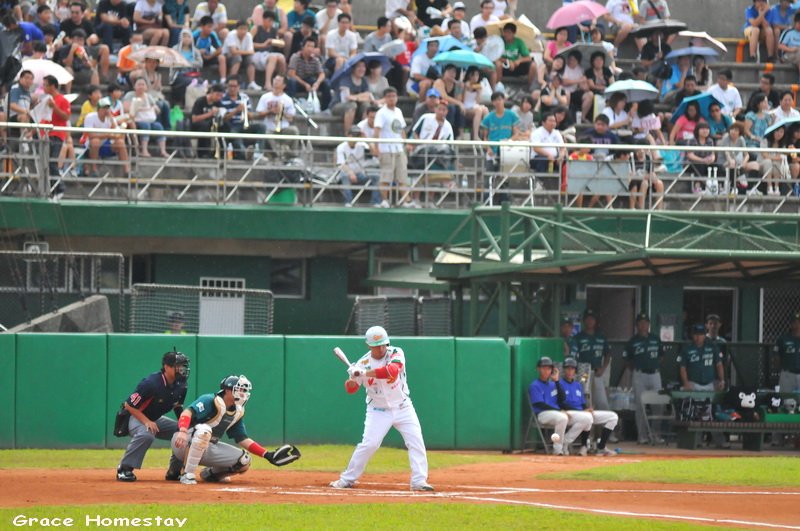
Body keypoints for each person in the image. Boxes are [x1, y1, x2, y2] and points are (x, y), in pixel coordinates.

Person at [330, 326, 434, 491]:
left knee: (416, 441)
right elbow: (351, 389)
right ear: (369, 346)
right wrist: (353, 377)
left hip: (403, 406)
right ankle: (347, 479)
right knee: (370, 444)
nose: (381, 348)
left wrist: (364, 372)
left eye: (383, 344)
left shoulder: (395, 353)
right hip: (378, 411)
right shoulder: (362, 363)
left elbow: (391, 371)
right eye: (377, 345)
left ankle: (419, 481)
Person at [172, 374, 301, 484]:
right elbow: (187, 413)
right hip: (184, 442)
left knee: (244, 460)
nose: (244, 394)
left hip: (208, 447)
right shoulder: (210, 400)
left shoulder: (237, 411)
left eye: (245, 391)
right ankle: (186, 474)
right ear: (228, 390)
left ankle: (210, 474)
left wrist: (267, 454)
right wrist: (183, 431)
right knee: (204, 430)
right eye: (240, 390)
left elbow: (242, 439)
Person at [116, 350, 190, 482]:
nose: (181, 369)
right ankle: (124, 468)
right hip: (135, 417)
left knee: (184, 433)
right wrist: (146, 422)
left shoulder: (181, 383)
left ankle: (174, 471)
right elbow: (129, 405)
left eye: (182, 366)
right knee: (147, 434)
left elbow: (177, 406)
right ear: (167, 367)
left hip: (154, 419)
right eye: (177, 366)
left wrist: (184, 426)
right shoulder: (151, 383)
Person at [528, 356, 591, 456]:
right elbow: (540, 404)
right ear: (538, 369)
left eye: (549, 368)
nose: (546, 371)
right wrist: (558, 410)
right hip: (542, 414)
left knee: (587, 418)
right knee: (562, 418)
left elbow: (562, 398)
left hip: (557, 413)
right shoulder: (535, 385)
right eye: (543, 368)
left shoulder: (553, 384)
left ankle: (566, 441)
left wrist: (556, 381)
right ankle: (557, 449)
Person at [556, 357, 619, 456]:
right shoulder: (559, 384)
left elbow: (582, 402)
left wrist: (587, 408)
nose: (569, 371)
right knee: (587, 417)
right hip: (569, 412)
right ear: (564, 370)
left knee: (613, 416)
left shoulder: (578, 385)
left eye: (572, 369)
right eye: (567, 368)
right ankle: (577, 444)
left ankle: (601, 447)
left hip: (582, 412)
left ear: (575, 371)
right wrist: (583, 411)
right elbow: (561, 403)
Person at [623, 312, 664, 444]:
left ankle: (655, 434)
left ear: (648, 324)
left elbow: (661, 356)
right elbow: (627, 360)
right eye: (640, 322)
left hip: (654, 373)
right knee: (640, 406)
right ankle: (643, 436)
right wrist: (637, 369)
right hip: (639, 374)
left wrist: (654, 365)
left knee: (658, 404)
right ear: (637, 325)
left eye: (645, 322)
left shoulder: (655, 338)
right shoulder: (633, 341)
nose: (643, 325)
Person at [373, 87, 413, 208]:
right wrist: (376, 147)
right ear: (385, 98)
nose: (392, 98)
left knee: (402, 177)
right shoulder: (381, 113)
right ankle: (385, 200)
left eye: (394, 96)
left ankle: (406, 201)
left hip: (399, 149)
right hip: (386, 149)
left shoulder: (399, 112)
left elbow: (401, 130)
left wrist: (404, 144)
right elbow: (377, 131)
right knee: (386, 176)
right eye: (389, 96)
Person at [571, 309, 611, 411]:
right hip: (584, 373)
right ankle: (587, 425)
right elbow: (573, 356)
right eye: (587, 319)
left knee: (602, 402)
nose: (590, 321)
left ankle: (603, 426)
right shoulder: (578, 337)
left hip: (597, 372)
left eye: (592, 319)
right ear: (584, 321)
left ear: (595, 321)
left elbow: (608, 355)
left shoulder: (601, 337)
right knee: (584, 397)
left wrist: (603, 369)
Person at [255, 75, 299, 159]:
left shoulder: (288, 99)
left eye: (279, 80)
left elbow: (291, 118)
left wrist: (281, 112)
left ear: (284, 85)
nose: (275, 82)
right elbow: (259, 114)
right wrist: (270, 111)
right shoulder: (265, 97)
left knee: (294, 130)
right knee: (266, 133)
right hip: (269, 128)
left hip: (283, 128)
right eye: (275, 79)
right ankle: (280, 152)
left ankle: (293, 155)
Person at [83, 97, 130, 176]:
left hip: (106, 145)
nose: (106, 110)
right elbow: (91, 135)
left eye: (108, 108)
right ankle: (94, 169)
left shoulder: (110, 119)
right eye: (104, 108)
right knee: (95, 141)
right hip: (91, 146)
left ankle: (126, 170)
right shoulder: (90, 117)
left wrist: (111, 120)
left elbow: (117, 133)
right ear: (99, 109)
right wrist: (107, 135)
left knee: (120, 142)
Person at [337, 126, 381, 206]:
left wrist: (366, 139)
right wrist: (350, 172)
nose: (355, 137)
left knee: (376, 177)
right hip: (346, 173)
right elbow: (341, 164)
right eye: (353, 135)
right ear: (348, 135)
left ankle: (375, 202)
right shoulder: (341, 147)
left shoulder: (362, 145)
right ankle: (348, 202)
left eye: (357, 135)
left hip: (360, 174)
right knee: (344, 176)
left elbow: (375, 153)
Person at [220, 78, 264, 158]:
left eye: (235, 86)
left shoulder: (244, 97)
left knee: (261, 127)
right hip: (231, 125)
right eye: (230, 86)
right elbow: (224, 118)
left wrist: (245, 111)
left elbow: (251, 116)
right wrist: (236, 110)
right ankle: (245, 154)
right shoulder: (222, 99)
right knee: (234, 134)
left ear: (238, 87)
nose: (232, 88)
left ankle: (259, 152)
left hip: (244, 123)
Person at [42, 75, 70, 199]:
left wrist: (54, 107)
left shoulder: (62, 100)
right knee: (46, 163)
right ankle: (51, 189)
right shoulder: (46, 100)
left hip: (56, 134)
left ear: (52, 86)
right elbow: (43, 118)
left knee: (52, 162)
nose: (43, 88)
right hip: (45, 134)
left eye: (45, 85)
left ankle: (59, 188)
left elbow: (65, 117)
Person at [287, 37, 331, 112]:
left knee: (326, 83)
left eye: (312, 47)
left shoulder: (315, 60)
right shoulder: (295, 57)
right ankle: (292, 106)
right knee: (292, 81)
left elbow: (321, 74)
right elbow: (292, 74)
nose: (310, 49)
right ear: (303, 47)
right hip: (299, 81)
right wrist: (305, 84)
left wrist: (317, 83)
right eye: (308, 46)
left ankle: (325, 108)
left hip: (310, 81)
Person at [678, 324, 724, 391]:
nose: (698, 337)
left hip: (710, 382)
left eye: (701, 334)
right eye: (696, 334)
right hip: (693, 383)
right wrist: (685, 382)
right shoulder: (686, 349)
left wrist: (722, 380)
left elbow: (719, 364)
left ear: (704, 335)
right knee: (684, 389)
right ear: (692, 335)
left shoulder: (712, 347)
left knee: (720, 386)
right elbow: (682, 368)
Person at [251, 10, 286, 92]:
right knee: (273, 57)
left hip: (268, 53)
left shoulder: (273, 30)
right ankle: (267, 83)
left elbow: (276, 42)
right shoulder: (256, 29)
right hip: (257, 53)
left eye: (272, 21)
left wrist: (278, 43)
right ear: (263, 19)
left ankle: (280, 82)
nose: (270, 23)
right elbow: (248, 44)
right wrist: (263, 45)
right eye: (269, 20)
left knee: (281, 58)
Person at [481, 91, 519, 161]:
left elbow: (516, 134)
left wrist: (508, 141)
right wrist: (488, 149)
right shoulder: (488, 118)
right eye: (495, 100)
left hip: (508, 149)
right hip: (492, 151)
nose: (497, 102)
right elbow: (485, 137)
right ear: (492, 102)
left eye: (499, 99)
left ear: (504, 100)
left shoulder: (512, 115)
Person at [495, 22, 535, 89]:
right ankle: (498, 87)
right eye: (505, 32)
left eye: (508, 33)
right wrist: (507, 61)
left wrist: (518, 61)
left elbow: (528, 57)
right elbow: (495, 57)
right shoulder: (499, 41)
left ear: (513, 33)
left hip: (516, 65)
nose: (506, 34)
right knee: (498, 64)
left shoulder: (519, 42)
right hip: (504, 66)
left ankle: (529, 87)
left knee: (533, 65)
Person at [190, 83, 225, 158]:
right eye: (217, 95)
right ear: (212, 92)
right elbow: (194, 119)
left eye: (221, 96)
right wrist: (210, 114)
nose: (219, 98)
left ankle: (221, 153)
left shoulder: (218, 103)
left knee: (224, 126)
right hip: (198, 125)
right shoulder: (200, 101)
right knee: (205, 126)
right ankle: (203, 153)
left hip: (212, 124)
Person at [224, 20, 258, 91]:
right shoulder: (231, 35)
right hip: (228, 56)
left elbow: (252, 52)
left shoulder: (248, 36)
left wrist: (238, 51)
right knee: (237, 58)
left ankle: (252, 82)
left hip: (243, 57)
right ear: (237, 29)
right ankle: (231, 81)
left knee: (251, 59)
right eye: (241, 29)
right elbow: (233, 52)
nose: (243, 31)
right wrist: (243, 52)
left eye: (245, 29)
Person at [194, 15, 227, 83]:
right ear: (202, 27)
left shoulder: (212, 35)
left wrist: (209, 57)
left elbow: (219, 49)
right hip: (196, 57)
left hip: (208, 56)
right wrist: (198, 52)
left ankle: (223, 80)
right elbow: (188, 48)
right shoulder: (195, 35)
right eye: (208, 27)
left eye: (211, 27)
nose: (210, 29)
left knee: (222, 58)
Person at [774, 312, 800, 393]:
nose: (796, 324)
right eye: (794, 321)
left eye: (798, 322)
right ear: (790, 323)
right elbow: (776, 357)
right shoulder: (782, 339)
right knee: (786, 400)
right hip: (787, 374)